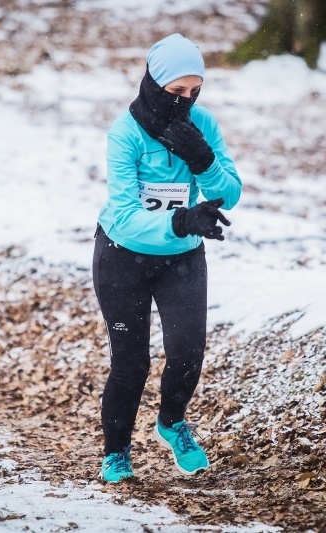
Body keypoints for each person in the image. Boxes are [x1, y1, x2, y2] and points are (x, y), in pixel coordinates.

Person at [93, 33, 241, 483]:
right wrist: (180, 222)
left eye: (195, 92)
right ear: (154, 84)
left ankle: (172, 423)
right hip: (122, 258)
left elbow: (229, 195)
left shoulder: (204, 125)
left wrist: (203, 160)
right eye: (177, 92)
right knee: (131, 363)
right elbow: (122, 215)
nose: (186, 101)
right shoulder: (125, 133)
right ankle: (116, 452)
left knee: (187, 351)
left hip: (182, 258)